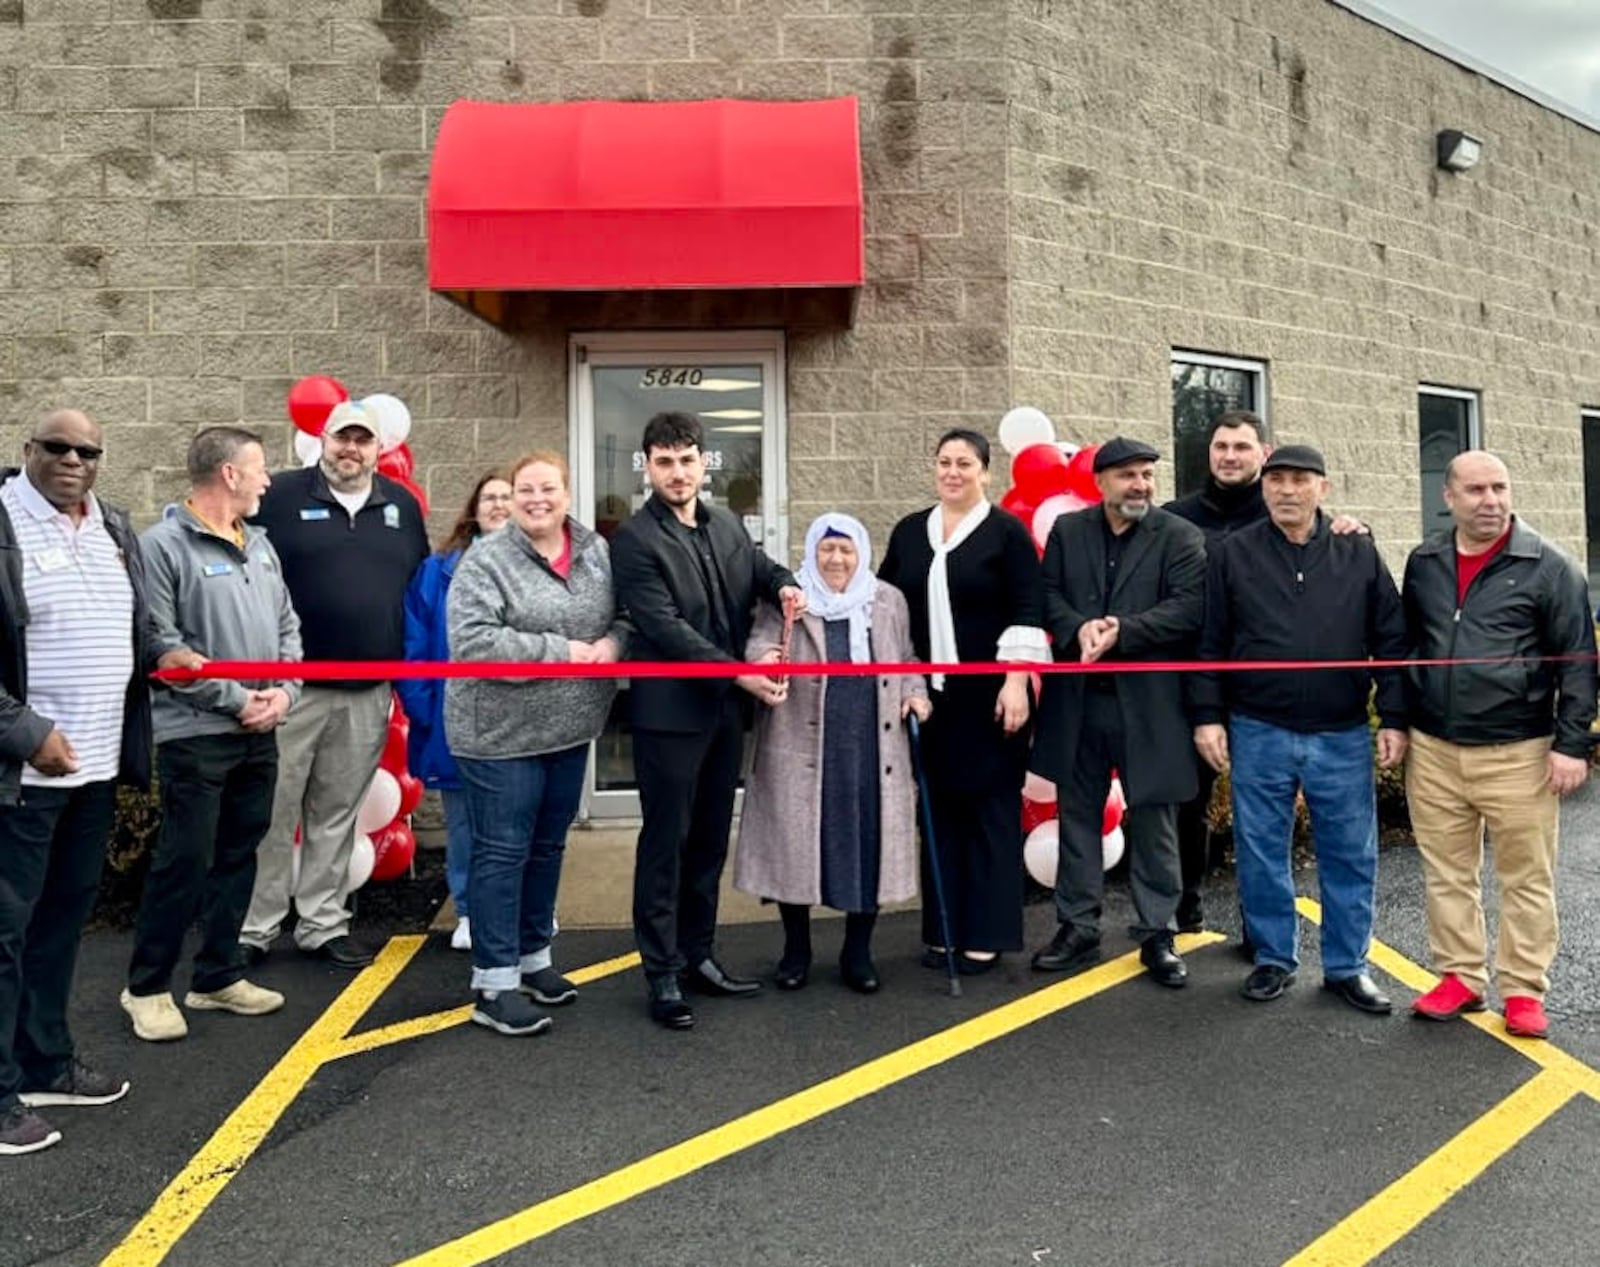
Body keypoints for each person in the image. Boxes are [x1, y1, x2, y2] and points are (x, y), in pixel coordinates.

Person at [0, 410, 197, 1156]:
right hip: (21, 775)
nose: (74, 459)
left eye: (89, 450)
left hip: (95, 769)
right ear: (28, 452)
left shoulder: (111, 526)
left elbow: (133, 626)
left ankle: (44, 1061)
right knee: (4, 933)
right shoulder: (5, 522)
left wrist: (167, 650)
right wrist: (29, 734)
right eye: (59, 447)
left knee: (58, 923)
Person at [1191, 446, 1408, 1013]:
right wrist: (1208, 716)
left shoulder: (1357, 552)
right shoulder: (1232, 554)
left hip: (1340, 732)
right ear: (1264, 489)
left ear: (1324, 488)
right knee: (1261, 850)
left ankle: (1346, 967)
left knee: (1351, 854)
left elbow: (1390, 637)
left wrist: (1395, 716)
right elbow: (1211, 642)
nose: (1287, 490)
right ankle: (1273, 958)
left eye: (1300, 481)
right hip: (1258, 728)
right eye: (1277, 480)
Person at [610, 411, 803, 1031]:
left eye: (687, 460)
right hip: (671, 713)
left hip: (723, 714)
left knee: (709, 841)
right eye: (664, 461)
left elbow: (759, 568)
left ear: (703, 464)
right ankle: (661, 971)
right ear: (647, 466)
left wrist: (786, 585)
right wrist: (739, 673)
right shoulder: (635, 540)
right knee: (667, 842)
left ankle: (699, 955)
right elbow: (666, 630)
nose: (677, 472)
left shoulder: (725, 525)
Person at [1402, 451, 1597, 1040]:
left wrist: (1571, 745)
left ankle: (1522, 990)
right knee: (1447, 872)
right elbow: (1408, 644)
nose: (1490, 500)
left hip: (1520, 751)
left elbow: (1580, 663)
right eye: (1476, 489)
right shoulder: (1425, 562)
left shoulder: (1549, 567)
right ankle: (1460, 976)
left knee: (1525, 877)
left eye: (1500, 488)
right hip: (1434, 748)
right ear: (1449, 497)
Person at [121, 428, 303, 1043]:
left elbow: (288, 630)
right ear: (228, 474)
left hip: (259, 731)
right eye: (259, 469)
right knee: (185, 861)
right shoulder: (161, 547)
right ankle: (145, 987)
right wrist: (238, 699)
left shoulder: (261, 545)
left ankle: (216, 975)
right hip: (195, 734)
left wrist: (282, 695)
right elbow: (163, 646)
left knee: (238, 854)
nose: (267, 480)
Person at [242, 401, 428, 970]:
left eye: (362, 440)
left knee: (337, 809)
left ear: (379, 449)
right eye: (341, 438)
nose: (351, 449)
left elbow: (415, 585)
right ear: (321, 439)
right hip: (291, 685)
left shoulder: (399, 505)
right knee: (274, 808)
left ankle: (322, 922)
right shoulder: (279, 496)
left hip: (369, 688)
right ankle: (256, 927)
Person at [445, 452, 627, 1036]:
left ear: (568, 495)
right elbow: (472, 643)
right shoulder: (486, 560)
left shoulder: (596, 550)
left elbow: (625, 614)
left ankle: (534, 959)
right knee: (502, 852)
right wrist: (563, 652)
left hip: (570, 729)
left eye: (548, 488)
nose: (536, 499)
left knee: (547, 847)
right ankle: (493, 984)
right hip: (500, 734)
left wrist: (614, 645)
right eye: (525, 490)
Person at [1165, 411, 1367, 933]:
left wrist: (1355, 529)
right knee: (1192, 801)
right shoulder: (1176, 517)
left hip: (1279, 703)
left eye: (1241, 447)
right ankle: (1185, 906)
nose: (1229, 455)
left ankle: (1265, 938)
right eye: (1220, 446)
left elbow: (1343, 576)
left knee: (1276, 831)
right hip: (1202, 683)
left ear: (1264, 454)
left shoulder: (1297, 513)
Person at [1029, 437, 1206, 987]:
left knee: (1154, 820)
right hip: (1080, 702)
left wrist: (1122, 631)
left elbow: (1188, 607)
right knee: (1077, 814)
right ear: (1101, 482)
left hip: (1149, 706)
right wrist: (1075, 628)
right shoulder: (1069, 531)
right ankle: (1078, 926)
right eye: (1128, 475)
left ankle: (1158, 933)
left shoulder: (1179, 535)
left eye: (1147, 475)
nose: (1141, 485)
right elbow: (1048, 594)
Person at [734, 513, 931, 993]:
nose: (836, 559)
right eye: (826, 549)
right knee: (795, 846)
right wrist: (763, 660)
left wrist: (915, 691)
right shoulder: (790, 598)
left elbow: (906, 658)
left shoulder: (887, 600)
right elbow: (759, 643)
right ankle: (796, 950)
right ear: (811, 552)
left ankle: (857, 952)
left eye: (845, 549)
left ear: (861, 552)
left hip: (871, 745)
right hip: (798, 743)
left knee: (867, 841)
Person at [878, 429, 1047, 974]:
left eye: (965, 463)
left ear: (985, 472)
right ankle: (943, 930)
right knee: (940, 814)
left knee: (989, 814)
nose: (953, 471)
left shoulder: (1006, 534)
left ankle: (987, 933)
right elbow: (886, 602)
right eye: (944, 462)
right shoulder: (909, 532)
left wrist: (1017, 681)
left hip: (995, 697)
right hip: (930, 700)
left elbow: (1028, 606)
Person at [398, 470, 513, 953]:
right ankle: (468, 910)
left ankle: (524, 907)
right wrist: (427, 710)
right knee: (465, 825)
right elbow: (415, 643)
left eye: (508, 497)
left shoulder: (543, 566)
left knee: (517, 824)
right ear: (473, 507)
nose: (499, 505)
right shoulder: (438, 570)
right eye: (489, 497)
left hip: (518, 724)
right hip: (455, 720)